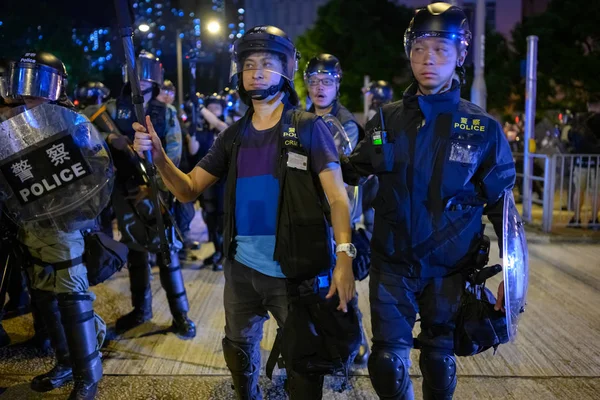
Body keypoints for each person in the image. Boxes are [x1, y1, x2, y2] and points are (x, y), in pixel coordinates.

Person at [133, 25, 357, 400]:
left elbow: (338, 198)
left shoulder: (308, 127)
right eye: (249, 63)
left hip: (294, 271)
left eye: (266, 63)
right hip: (241, 270)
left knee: (305, 360)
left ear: (285, 70)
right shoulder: (232, 136)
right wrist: (157, 154)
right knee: (238, 347)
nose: (256, 71)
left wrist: (344, 257)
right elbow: (188, 189)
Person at [341, 3, 516, 399]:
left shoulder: (482, 127)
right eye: (420, 48)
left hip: (450, 270)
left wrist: (513, 278)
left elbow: (503, 209)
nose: (428, 59)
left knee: (438, 360)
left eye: (440, 49)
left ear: (460, 54)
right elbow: (352, 170)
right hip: (392, 265)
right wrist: (313, 158)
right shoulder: (385, 120)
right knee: (386, 363)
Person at [3, 51, 108, 400]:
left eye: (39, 81)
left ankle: (88, 377)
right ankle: (65, 364)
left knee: (73, 300)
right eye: (25, 80)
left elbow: (97, 174)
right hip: (31, 228)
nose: (31, 91)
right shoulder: (14, 125)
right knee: (44, 298)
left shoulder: (71, 122)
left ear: (56, 85)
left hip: (65, 228)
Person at [86, 51, 196, 338]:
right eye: (138, 73)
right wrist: (111, 139)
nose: (143, 80)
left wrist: (156, 186)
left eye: (148, 73)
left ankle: (181, 315)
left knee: (168, 253)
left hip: (157, 192)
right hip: (125, 191)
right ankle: (141, 310)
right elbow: (83, 127)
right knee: (135, 250)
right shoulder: (112, 108)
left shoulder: (165, 112)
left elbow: (173, 153)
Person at [303, 53, 370, 365]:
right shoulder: (299, 116)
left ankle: (354, 341)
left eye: (326, 81)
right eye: (314, 81)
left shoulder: (345, 124)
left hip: (337, 215)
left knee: (341, 280)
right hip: (308, 213)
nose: (320, 87)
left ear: (336, 84)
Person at [567, 93, 600, 229]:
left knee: (578, 191)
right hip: (597, 162)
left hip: (580, 162)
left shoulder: (578, 119)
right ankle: (593, 220)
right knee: (596, 192)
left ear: (588, 105)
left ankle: (576, 218)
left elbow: (569, 137)